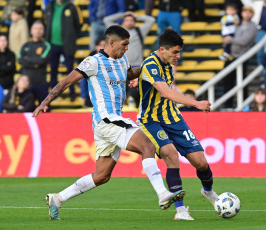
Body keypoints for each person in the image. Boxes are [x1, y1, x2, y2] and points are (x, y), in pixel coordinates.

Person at [32, 25, 185, 220]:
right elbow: (66, 82)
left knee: (102, 176)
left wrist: (150, 66)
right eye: (124, 44)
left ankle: (58, 198)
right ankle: (163, 194)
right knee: (147, 145)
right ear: (111, 42)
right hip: (107, 119)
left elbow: (131, 73)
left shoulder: (123, 60)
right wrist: (45, 103)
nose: (127, 48)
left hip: (109, 123)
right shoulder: (93, 62)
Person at [135, 28, 218, 220]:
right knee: (171, 154)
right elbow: (166, 92)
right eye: (174, 52)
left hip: (173, 117)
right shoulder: (151, 65)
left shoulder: (168, 64)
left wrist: (139, 81)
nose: (177, 56)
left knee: (201, 162)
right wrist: (196, 103)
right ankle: (181, 211)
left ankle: (208, 192)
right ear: (162, 49)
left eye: (179, 52)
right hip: (151, 120)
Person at [104, 11, 155, 107]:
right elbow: (107, 20)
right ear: (123, 21)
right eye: (126, 20)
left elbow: (151, 20)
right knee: (119, 89)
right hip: (120, 66)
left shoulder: (140, 31)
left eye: (132, 20)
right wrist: (123, 14)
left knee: (135, 89)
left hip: (136, 66)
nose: (129, 22)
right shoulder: (116, 33)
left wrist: (136, 15)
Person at [45, 0, 83, 102]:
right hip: (52, 44)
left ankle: (72, 93)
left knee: (70, 71)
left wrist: (71, 36)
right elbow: (46, 22)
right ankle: (53, 96)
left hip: (67, 45)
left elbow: (79, 23)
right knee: (53, 71)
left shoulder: (71, 6)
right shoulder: (50, 6)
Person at [222, 5, 257, 108]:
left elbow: (244, 41)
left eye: (249, 12)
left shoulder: (252, 26)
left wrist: (230, 40)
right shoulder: (238, 23)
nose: (246, 14)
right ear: (241, 13)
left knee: (242, 83)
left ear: (252, 14)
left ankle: (244, 105)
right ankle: (227, 105)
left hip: (241, 57)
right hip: (231, 56)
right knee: (227, 81)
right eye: (245, 11)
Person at [18, 21, 51, 104]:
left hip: (41, 84)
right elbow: (19, 59)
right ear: (31, 31)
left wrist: (27, 59)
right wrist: (35, 63)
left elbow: (42, 60)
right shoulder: (25, 45)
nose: (38, 31)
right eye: (36, 28)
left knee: (44, 109)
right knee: (25, 110)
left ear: (43, 31)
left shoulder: (46, 45)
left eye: (40, 29)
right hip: (26, 85)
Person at [80, 37, 106, 107]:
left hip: (107, 96)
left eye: (105, 46)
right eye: (102, 45)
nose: (103, 47)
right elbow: (83, 79)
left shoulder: (113, 61)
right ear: (96, 47)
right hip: (91, 96)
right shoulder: (88, 61)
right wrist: (84, 95)